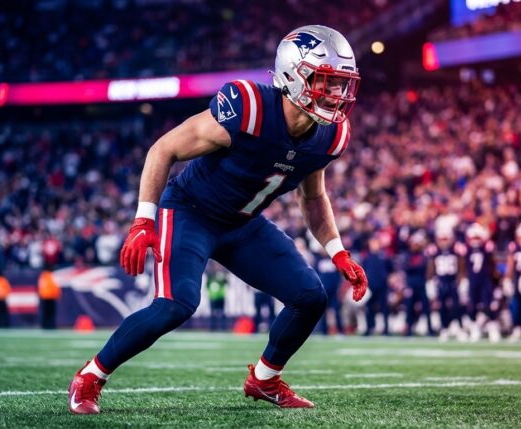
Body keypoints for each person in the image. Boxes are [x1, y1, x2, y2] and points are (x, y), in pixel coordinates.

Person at [68, 25, 368, 413]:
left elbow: (313, 197)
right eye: (325, 81)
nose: (336, 93)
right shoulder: (250, 108)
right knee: (175, 303)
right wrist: (143, 220)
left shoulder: (331, 135)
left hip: (243, 223)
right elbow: (163, 149)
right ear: (293, 75)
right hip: (191, 211)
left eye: (341, 83)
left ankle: (265, 380)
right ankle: (90, 376)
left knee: (310, 296)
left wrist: (337, 251)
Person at [427, 226, 467, 341]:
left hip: (453, 281)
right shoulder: (435, 251)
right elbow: (431, 267)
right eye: (441, 239)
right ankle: (444, 328)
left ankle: (460, 328)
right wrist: (430, 282)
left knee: (457, 306)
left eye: (446, 239)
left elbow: (461, 266)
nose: (444, 242)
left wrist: (462, 280)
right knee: (442, 306)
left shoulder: (456, 249)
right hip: (441, 281)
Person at [464, 223, 499, 342]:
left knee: (488, 304)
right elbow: (463, 265)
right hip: (473, 280)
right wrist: (463, 279)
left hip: (485, 280)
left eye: (477, 237)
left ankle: (492, 327)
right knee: (472, 305)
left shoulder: (487, 247)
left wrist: (496, 279)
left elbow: (493, 264)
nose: (475, 240)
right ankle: (474, 328)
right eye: (473, 238)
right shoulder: (467, 249)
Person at [403, 231, 432, 336]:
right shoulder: (408, 255)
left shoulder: (423, 255)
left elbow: (422, 268)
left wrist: (414, 267)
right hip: (411, 284)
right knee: (409, 307)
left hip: (421, 284)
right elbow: (407, 268)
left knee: (426, 307)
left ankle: (430, 329)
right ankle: (409, 329)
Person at [363, 237, 391, 336]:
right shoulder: (366, 258)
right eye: (372, 243)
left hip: (382, 286)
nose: (374, 246)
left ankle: (386, 329)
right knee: (369, 308)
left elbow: (390, 270)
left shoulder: (384, 256)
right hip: (370, 286)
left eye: (375, 243)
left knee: (384, 308)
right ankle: (369, 328)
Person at [205, 262, 227, 332]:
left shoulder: (222, 274)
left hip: (221, 296)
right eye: (216, 265)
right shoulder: (211, 275)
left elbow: (226, 282)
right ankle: (213, 328)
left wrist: (222, 278)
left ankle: (223, 328)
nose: (217, 267)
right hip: (213, 296)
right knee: (212, 313)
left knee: (221, 313)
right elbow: (207, 285)